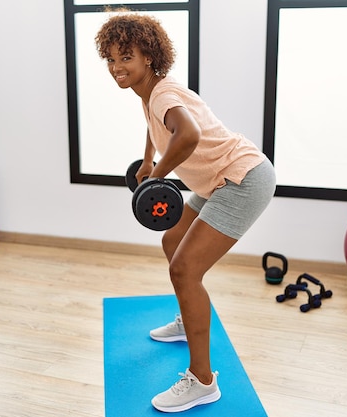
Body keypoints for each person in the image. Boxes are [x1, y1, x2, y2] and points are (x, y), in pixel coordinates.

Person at [95, 10, 276, 413]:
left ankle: (203, 381)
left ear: (149, 57)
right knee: (172, 239)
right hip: (218, 179)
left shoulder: (161, 92)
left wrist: (157, 177)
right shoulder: (151, 92)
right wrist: (146, 161)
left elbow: (188, 134)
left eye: (127, 57)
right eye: (111, 58)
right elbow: (156, 125)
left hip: (241, 179)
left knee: (184, 269)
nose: (117, 67)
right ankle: (186, 319)